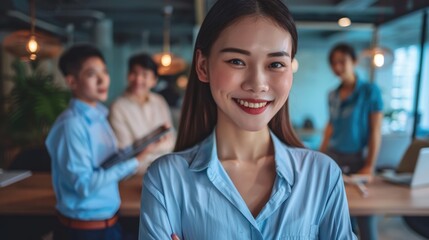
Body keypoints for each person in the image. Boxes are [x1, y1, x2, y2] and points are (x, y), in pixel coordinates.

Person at [139, 0, 356, 239]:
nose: (257, 84)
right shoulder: (166, 179)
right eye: (236, 61)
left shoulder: (322, 175)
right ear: (203, 66)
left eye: (275, 64)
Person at [45, 44, 156, 240]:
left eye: (104, 71)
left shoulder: (100, 115)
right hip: (84, 231)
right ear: (72, 81)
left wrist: (137, 149)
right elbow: (84, 185)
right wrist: (135, 161)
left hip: (109, 223)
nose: (102, 79)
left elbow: (107, 164)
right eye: (91, 74)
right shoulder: (72, 125)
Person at [319, 43, 384, 240]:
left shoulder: (370, 91)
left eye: (342, 61)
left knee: (365, 217)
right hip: (333, 157)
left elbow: (375, 130)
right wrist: (318, 157)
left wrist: (369, 165)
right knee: (336, 217)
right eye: (333, 63)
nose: (337, 67)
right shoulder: (332, 94)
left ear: (354, 62)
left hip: (357, 159)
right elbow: (330, 128)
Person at [109, 53, 175, 174]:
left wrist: (148, 149)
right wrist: (156, 146)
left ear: (154, 80)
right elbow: (126, 152)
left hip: (167, 166)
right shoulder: (118, 107)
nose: (138, 79)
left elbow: (170, 141)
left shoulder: (159, 101)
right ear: (128, 75)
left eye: (145, 75)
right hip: (136, 172)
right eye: (134, 73)